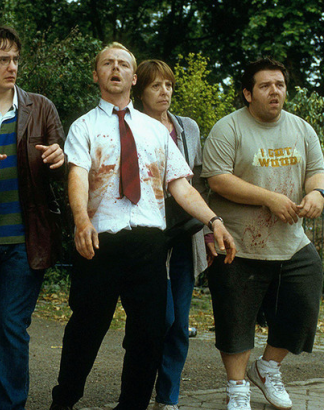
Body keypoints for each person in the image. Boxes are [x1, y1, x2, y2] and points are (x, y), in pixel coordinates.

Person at [49, 43, 236, 410]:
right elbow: (78, 176)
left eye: (123, 64)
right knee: (85, 331)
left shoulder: (155, 131)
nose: (115, 69)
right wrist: (81, 220)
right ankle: (64, 401)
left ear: (134, 78)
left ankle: (132, 405)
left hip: (150, 245)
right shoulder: (84, 126)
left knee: (149, 335)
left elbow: (181, 185)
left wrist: (213, 220)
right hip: (99, 242)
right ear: (96, 75)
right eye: (107, 63)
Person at [201, 58, 324, 410]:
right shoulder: (228, 129)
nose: (275, 91)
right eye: (266, 85)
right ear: (248, 93)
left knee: (302, 306)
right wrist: (269, 198)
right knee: (235, 321)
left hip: (291, 242)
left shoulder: (302, 129)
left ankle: (267, 368)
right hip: (237, 244)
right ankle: (237, 388)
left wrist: (317, 193)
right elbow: (218, 179)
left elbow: (317, 171)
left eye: (280, 85)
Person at [0, 25, 66, 410]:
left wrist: (60, 159)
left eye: (16, 59)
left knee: (10, 325)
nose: (12, 66)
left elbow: (63, 169)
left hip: (26, 239)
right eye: (3, 59)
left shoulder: (41, 107)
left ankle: (10, 405)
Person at [133, 59, 208, 410]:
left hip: (185, 236)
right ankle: (138, 383)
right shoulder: (131, 126)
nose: (164, 92)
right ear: (140, 92)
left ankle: (168, 398)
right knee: (158, 319)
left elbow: (199, 179)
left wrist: (209, 231)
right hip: (149, 237)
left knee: (178, 323)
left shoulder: (187, 127)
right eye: (155, 86)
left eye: (168, 85)